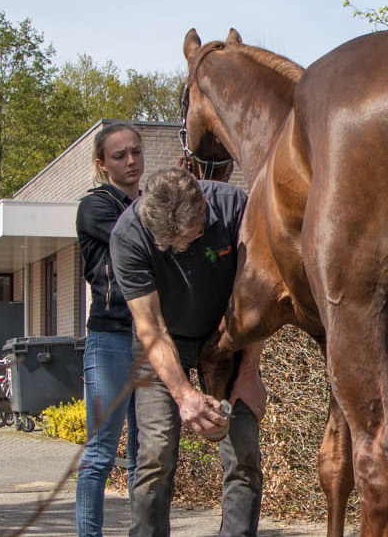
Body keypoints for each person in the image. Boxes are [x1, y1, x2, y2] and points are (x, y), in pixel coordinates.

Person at [111, 167, 267, 537]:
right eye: (171, 244)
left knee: (243, 451)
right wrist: (183, 395)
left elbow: (257, 300)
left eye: (190, 237)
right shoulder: (128, 235)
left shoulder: (235, 209)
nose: (182, 247)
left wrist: (249, 374)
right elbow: (151, 326)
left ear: (203, 207)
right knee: (156, 453)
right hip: (163, 343)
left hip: (228, 336)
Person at [74, 123, 145, 537]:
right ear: (102, 164)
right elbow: (138, 236)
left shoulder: (150, 201)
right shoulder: (96, 207)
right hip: (111, 338)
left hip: (151, 340)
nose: (131, 160)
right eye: (120, 156)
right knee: (100, 452)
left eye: (136, 152)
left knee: (145, 454)